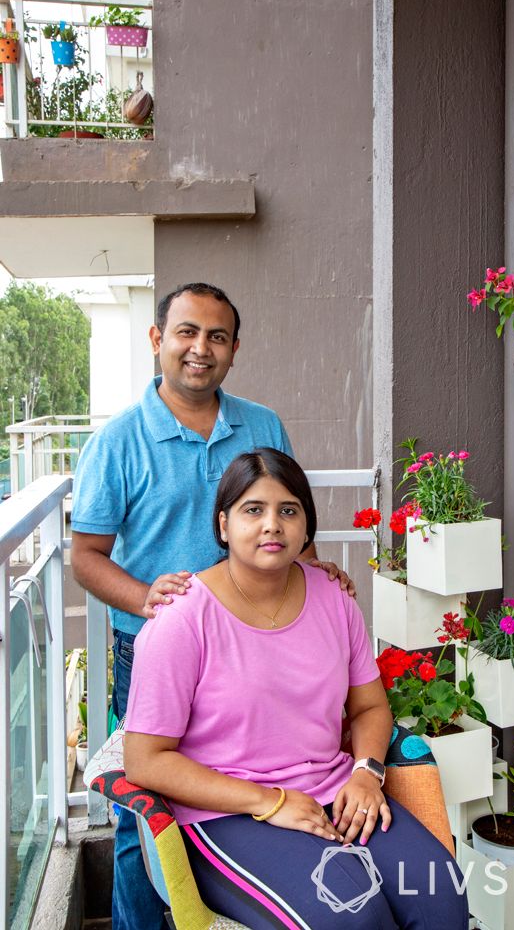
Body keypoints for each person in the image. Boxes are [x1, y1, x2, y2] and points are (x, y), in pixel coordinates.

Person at [71, 283, 354, 930]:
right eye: (187, 333)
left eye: (217, 337)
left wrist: (314, 569)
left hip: (261, 649)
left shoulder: (262, 426)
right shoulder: (117, 443)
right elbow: (85, 556)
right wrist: (144, 597)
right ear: (157, 341)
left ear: (233, 350)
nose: (201, 349)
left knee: (245, 791)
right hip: (154, 654)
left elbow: (283, 524)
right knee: (144, 815)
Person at [123, 449, 468, 929]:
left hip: (334, 788)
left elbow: (369, 706)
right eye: (253, 510)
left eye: (288, 511)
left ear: (306, 527)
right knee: (352, 916)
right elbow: (144, 759)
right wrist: (269, 801)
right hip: (226, 814)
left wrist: (368, 773)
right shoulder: (183, 620)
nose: (272, 525)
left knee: (440, 896)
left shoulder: (334, 600)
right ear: (223, 525)